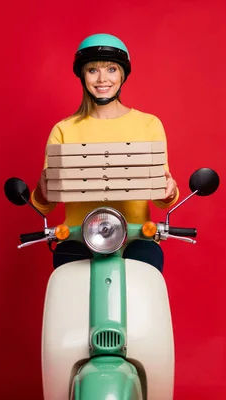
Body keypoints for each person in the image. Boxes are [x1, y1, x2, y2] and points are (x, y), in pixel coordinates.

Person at [30, 33, 179, 272]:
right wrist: (43, 191)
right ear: (83, 75)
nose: (102, 79)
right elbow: (43, 204)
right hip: (77, 237)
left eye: (111, 69)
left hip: (135, 235)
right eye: (92, 70)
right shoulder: (63, 130)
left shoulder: (148, 124)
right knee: (67, 297)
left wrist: (169, 191)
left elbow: (163, 195)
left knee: (145, 287)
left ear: (122, 75)